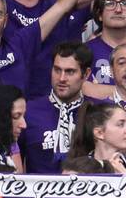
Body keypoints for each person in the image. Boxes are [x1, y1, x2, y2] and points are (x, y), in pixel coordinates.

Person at [18, 43, 88, 174]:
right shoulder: (28, 111)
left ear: (86, 74)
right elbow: (14, 160)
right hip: (37, 192)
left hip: (85, 192)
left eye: (70, 72)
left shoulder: (95, 112)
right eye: (57, 70)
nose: (61, 78)